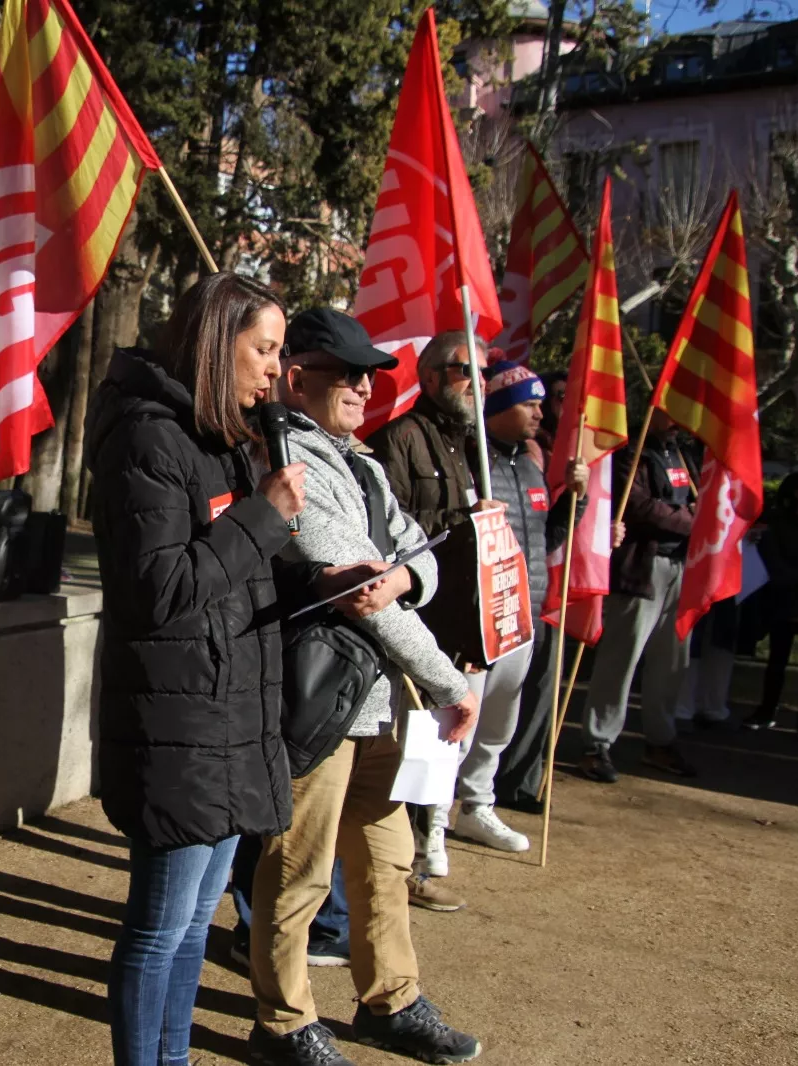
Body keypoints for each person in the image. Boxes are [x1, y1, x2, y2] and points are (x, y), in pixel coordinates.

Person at [83, 271, 315, 1066]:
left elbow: (236, 576)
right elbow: (162, 591)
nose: (275, 370)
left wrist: (323, 579)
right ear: (219, 344)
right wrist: (264, 517)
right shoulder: (148, 437)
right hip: (175, 724)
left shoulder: (222, 442)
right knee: (157, 931)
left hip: (226, 721)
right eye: (264, 349)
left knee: (192, 926)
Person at [248, 308, 481, 1066]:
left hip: (375, 697)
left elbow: (421, 559)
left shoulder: (362, 460)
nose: (362, 385)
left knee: (387, 858)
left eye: (370, 373)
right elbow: (361, 590)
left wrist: (410, 573)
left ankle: (392, 999)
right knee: (300, 865)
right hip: (321, 695)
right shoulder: (288, 456)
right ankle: (283, 1020)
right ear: (297, 377)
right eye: (345, 372)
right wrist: (449, 682)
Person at [366, 329, 491, 895]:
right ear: (433, 376)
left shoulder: (470, 444)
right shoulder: (400, 438)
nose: (476, 384)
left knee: (440, 741)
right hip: (417, 615)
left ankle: (424, 851)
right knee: (407, 745)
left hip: (459, 617)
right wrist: (464, 527)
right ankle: (403, 867)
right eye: (467, 371)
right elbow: (392, 533)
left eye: (482, 373)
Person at [451, 363, 589, 852]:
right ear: (500, 408)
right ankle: (430, 822)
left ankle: (477, 805)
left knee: (499, 723)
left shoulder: (531, 463)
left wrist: (577, 500)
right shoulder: (471, 460)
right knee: (459, 726)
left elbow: (549, 538)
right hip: (479, 617)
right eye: (529, 404)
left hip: (521, 615)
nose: (539, 411)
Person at [579, 409, 699, 781]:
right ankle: (597, 743)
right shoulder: (631, 453)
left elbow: (702, 499)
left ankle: (660, 741)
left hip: (681, 568)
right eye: (674, 409)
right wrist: (692, 519)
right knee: (621, 659)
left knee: (671, 663)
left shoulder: (681, 453)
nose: (681, 418)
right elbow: (640, 506)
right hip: (641, 570)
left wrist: (694, 515)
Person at [746, 468, 798, 740]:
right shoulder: (778, 522)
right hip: (785, 603)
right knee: (776, 661)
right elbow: (772, 560)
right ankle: (766, 711)